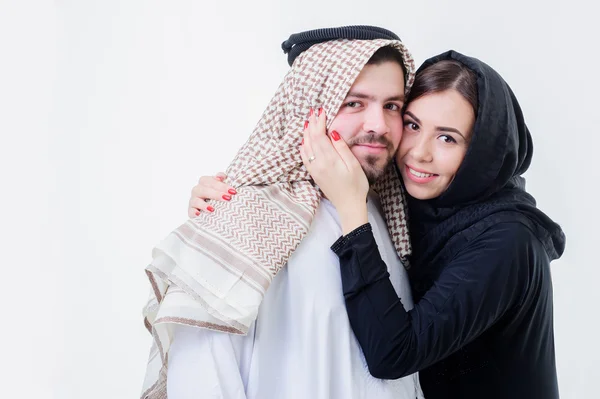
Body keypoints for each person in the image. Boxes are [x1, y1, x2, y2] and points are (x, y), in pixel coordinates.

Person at [193, 51, 566, 399]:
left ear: (483, 151)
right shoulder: (416, 202)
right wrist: (229, 197)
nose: (418, 152)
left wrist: (351, 208)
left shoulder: (509, 241)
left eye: (447, 138)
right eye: (412, 124)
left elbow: (394, 353)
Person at [141, 26, 425, 399]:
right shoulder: (243, 217)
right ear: (308, 111)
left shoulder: (393, 213)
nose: (378, 126)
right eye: (353, 102)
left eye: (392, 106)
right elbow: (203, 378)